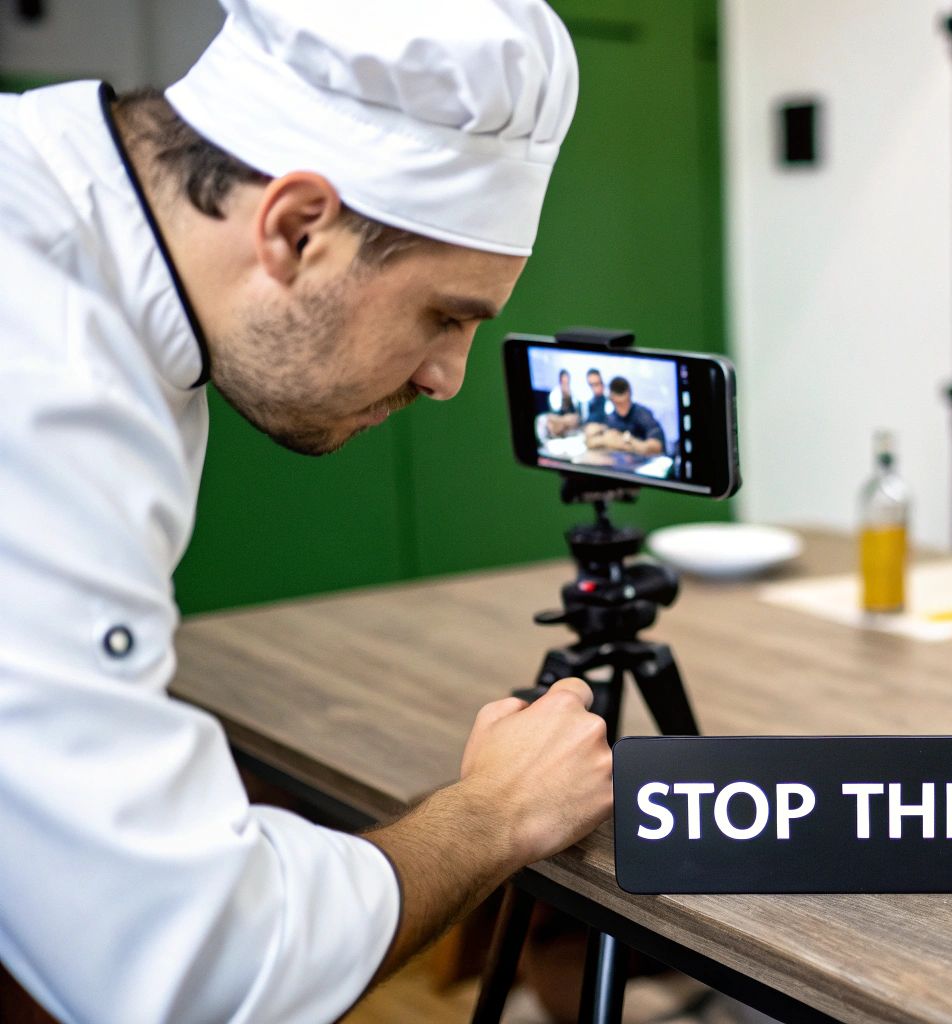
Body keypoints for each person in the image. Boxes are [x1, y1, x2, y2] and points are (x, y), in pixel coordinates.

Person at [0, 2, 622, 1021]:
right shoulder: (46, 381)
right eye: (444, 315)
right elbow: (200, 971)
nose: (447, 378)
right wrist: (497, 812)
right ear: (296, 228)